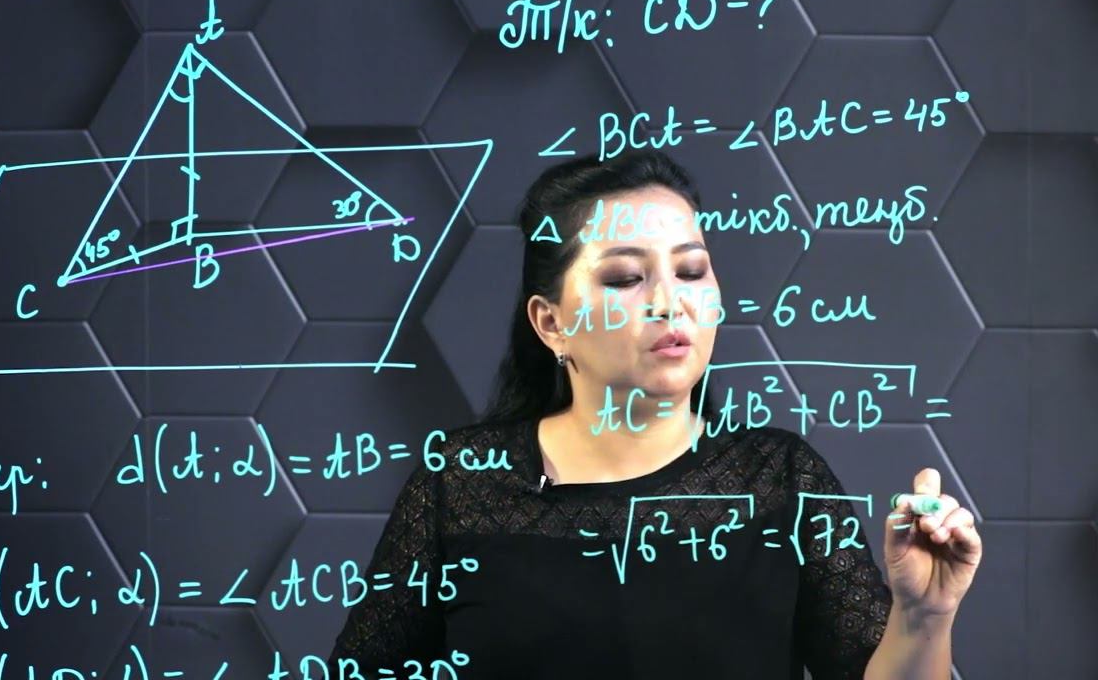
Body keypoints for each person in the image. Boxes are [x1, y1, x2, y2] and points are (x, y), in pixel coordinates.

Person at [325, 149, 982, 679]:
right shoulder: (461, 483)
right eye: (624, 279)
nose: (671, 303)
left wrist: (924, 617)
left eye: (692, 270)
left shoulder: (782, 479)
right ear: (550, 323)